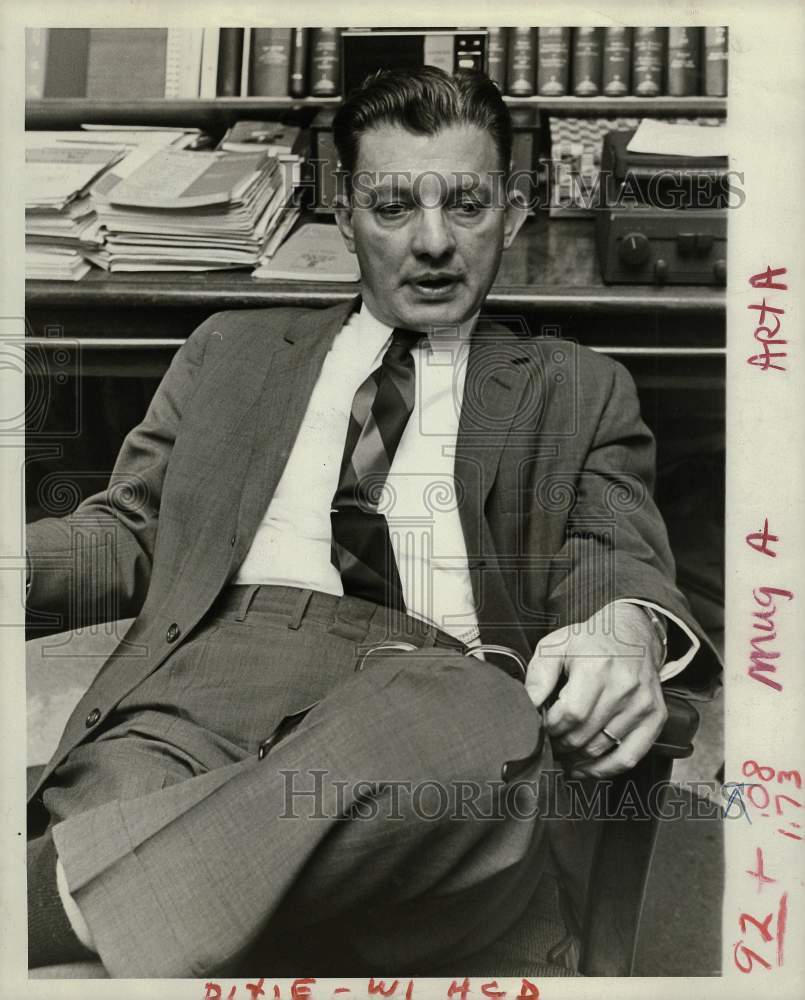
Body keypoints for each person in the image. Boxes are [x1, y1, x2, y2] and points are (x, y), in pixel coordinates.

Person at [25, 67, 719, 978]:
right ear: (344, 212)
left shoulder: (576, 385)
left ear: (510, 212)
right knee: (131, 792)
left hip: (426, 703)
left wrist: (620, 624)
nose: (433, 243)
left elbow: (611, 549)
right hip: (204, 686)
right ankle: (148, 895)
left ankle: (55, 899)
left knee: (473, 727)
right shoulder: (231, 350)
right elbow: (126, 535)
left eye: (465, 205)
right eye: (393, 208)